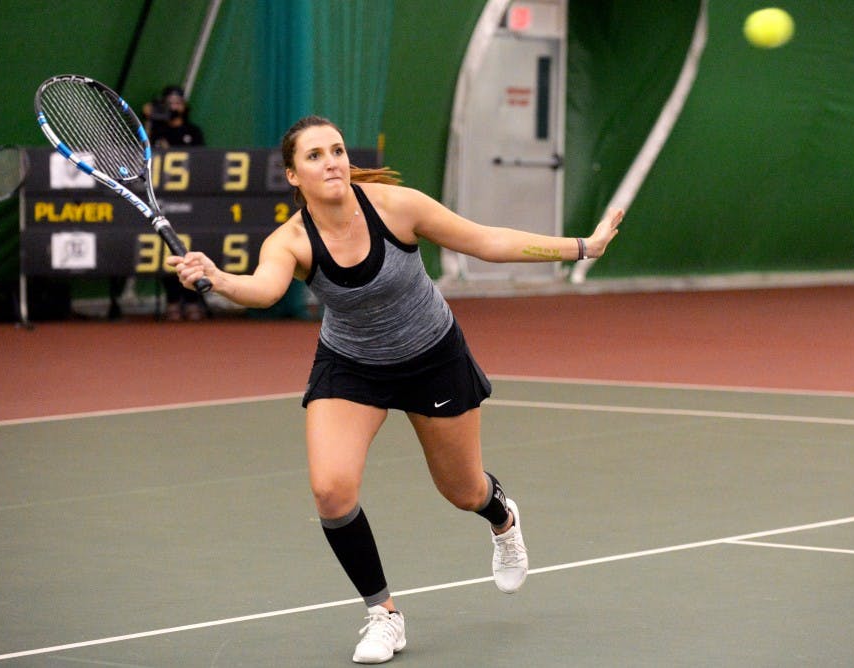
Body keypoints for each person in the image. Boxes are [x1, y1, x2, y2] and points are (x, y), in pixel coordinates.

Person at [168, 116, 623, 664]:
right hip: (352, 365)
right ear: (293, 173)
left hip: (433, 356)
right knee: (331, 491)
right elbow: (263, 290)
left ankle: (501, 515)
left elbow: (486, 241)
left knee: (462, 491)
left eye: (336, 149)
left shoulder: (395, 207)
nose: (332, 160)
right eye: (314, 155)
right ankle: (383, 614)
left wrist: (582, 247)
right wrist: (217, 278)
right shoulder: (290, 240)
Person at [143, 85, 207, 321]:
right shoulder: (156, 132)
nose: (174, 106)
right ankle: (172, 301)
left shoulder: (193, 131)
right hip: (164, 203)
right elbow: (143, 155)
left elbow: (204, 165)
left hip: (192, 203)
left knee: (192, 250)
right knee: (166, 252)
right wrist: (149, 120)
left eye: (178, 101)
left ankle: (192, 301)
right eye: (169, 102)